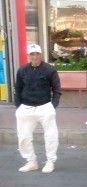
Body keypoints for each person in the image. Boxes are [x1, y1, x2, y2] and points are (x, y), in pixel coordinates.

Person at [14, 44, 61, 173]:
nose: (34, 56)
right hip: (26, 107)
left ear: (41, 54)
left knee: (51, 135)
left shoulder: (49, 70)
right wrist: (18, 106)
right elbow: (18, 89)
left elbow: (57, 89)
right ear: (28, 55)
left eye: (37, 53)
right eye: (32, 54)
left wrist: (53, 106)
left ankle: (50, 161)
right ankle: (31, 161)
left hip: (45, 106)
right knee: (23, 137)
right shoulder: (22, 70)